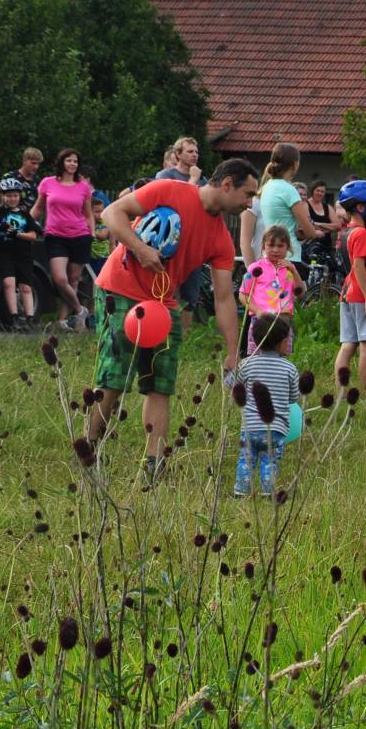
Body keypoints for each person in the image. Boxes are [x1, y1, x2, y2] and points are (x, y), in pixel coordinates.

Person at [85, 158, 257, 487]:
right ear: (226, 185)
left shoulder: (221, 240)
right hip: (119, 289)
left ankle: (155, 464)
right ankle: (90, 451)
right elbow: (111, 213)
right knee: (114, 377)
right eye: (247, 194)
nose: (249, 203)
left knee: (160, 384)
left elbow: (223, 298)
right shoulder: (169, 190)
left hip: (163, 304)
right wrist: (140, 249)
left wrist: (233, 351)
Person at [232, 314, 301, 497]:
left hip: (250, 427)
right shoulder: (289, 368)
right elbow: (294, 397)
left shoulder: (247, 364)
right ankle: (268, 492)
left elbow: (232, 383)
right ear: (282, 342)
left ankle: (241, 491)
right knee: (270, 461)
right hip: (276, 429)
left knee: (246, 460)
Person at [333, 179, 366, 395]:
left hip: (348, 294)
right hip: (364, 295)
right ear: (360, 207)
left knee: (348, 345)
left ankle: (340, 390)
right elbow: (359, 266)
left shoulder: (349, 232)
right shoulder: (362, 234)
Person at [34, 149, 97, 331]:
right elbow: (38, 208)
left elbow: (88, 214)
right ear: (61, 162)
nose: (72, 164)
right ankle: (80, 309)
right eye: (69, 160)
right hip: (55, 236)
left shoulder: (83, 187)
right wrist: (24, 223)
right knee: (60, 278)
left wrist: (92, 232)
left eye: (75, 161)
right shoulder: (48, 183)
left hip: (80, 235)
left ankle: (64, 321)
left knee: (74, 279)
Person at [0, 178, 40, 331]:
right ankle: (14, 317)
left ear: (20, 196)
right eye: (9, 196)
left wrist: (17, 233)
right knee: (8, 283)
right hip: (5, 253)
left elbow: (33, 235)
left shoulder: (25, 214)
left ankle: (30, 318)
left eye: (15, 195)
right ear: (3, 197)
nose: (12, 199)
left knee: (25, 287)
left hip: (23, 255)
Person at [258, 143, 320, 260]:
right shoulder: (289, 190)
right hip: (289, 256)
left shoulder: (267, 187)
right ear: (295, 164)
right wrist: (314, 232)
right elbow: (310, 233)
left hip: (270, 253)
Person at [239, 225, 305, 321]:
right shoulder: (256, 268)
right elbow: (243, 295)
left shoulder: (290, 269)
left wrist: (294, 272)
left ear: (287, 247)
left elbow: (300, 294)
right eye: (271, 245)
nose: (275, 250)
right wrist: (257, 311)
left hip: (285, 318)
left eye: (280, 246)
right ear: (263, 246)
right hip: (262, 319)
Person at [1, 147, 44, 212]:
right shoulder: (10, 176)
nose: (36, 167)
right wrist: (3, 213)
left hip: (29, 217)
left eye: (38, 164)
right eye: (33, 163)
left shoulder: (38, 181)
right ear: (24, 161)